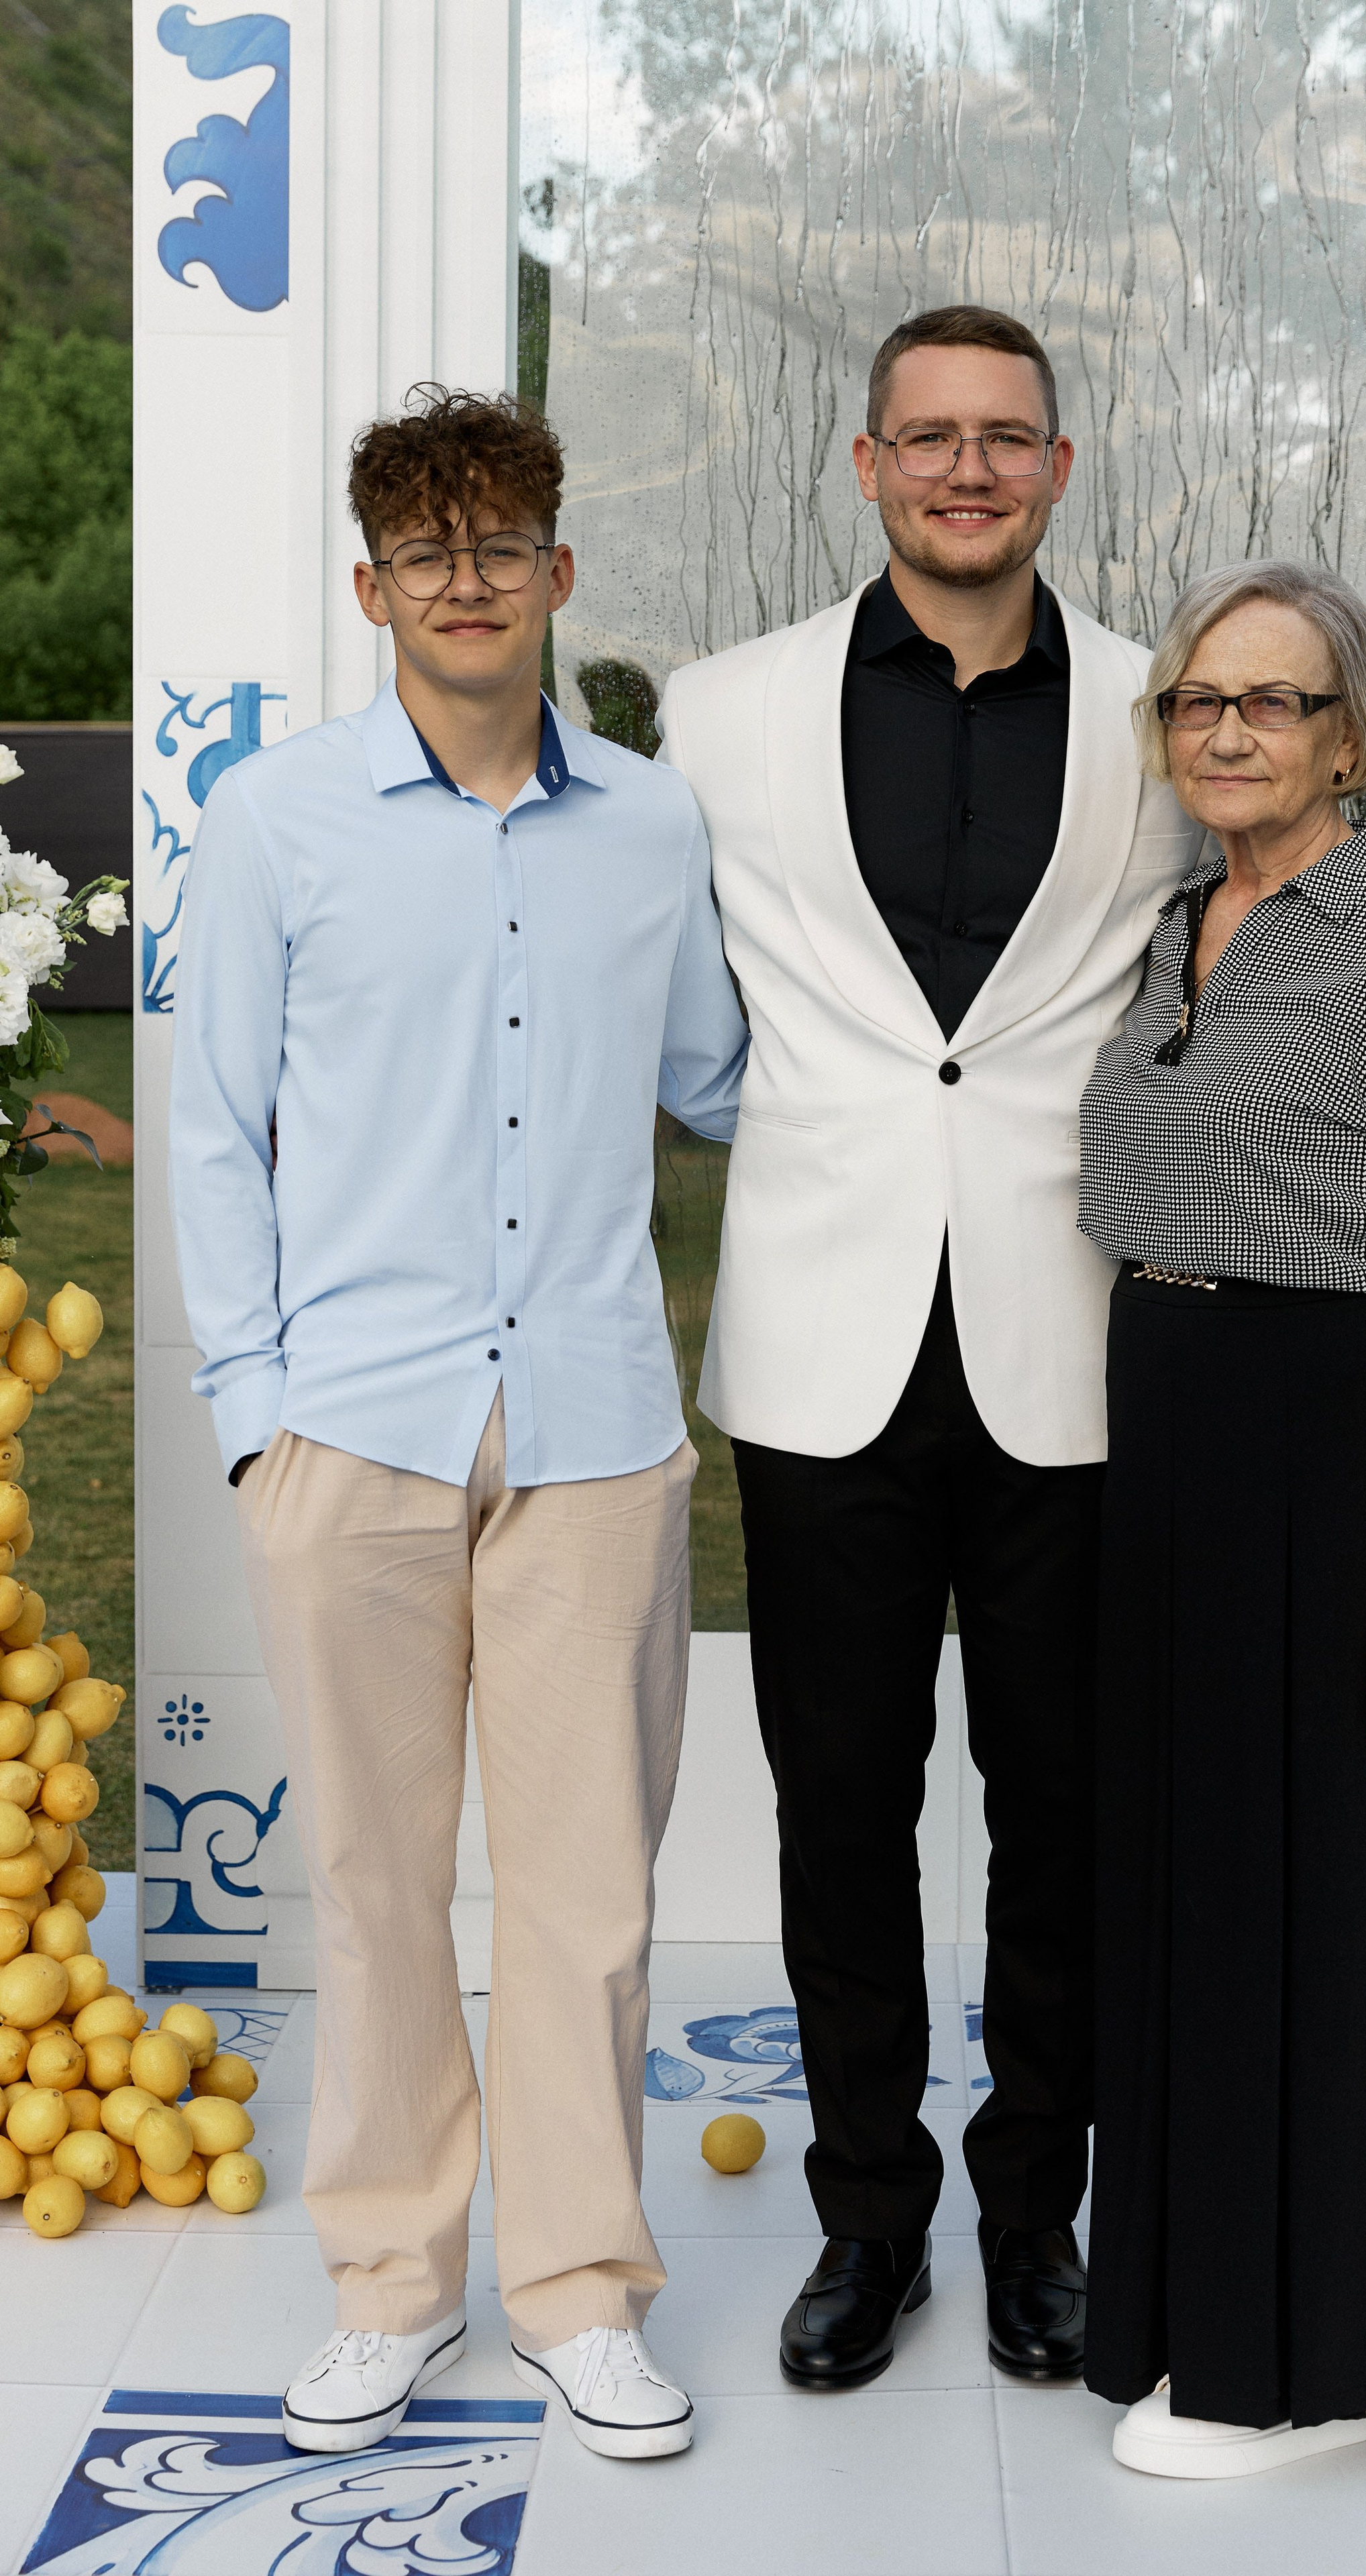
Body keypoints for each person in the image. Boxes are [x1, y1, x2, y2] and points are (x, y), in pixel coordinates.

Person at [170, 385, 747, 2461]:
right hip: (354, 1432)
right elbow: (213, 1132)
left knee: (591, 1894)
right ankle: (396, 2283)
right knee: (375, 1880)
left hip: (593, 1428)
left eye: (504, 541)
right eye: (430, 549)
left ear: (561, 573)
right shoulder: (274, 822)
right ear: (373, 587)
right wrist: (257, 1415)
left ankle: (583, 2290)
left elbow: (717, 1076)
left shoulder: (660, 825)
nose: (471, 577)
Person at [658, 307, 1200, 2390]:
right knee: (840, 1809)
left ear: (1061, 467)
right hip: (821, 1352)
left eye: (1007, 440)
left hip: (1072, 1342)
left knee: (1063, 1816)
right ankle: (868, 2224)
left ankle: (1035, 2219)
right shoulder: (720, 715)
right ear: (865, 461)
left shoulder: (1170, 709)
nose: (968, 471)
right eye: (929, 439)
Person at [1078, 559, 1366, 2477]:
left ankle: (1323, 2356)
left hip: (1342, 1450)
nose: (1230, 732)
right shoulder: (1178, 921)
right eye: (1200, 702)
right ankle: (1195, 2302)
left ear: (1350, 733)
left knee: (1334, 1897)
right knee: (1193, 1881)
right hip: (1169, 1434)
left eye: (1272, 703)